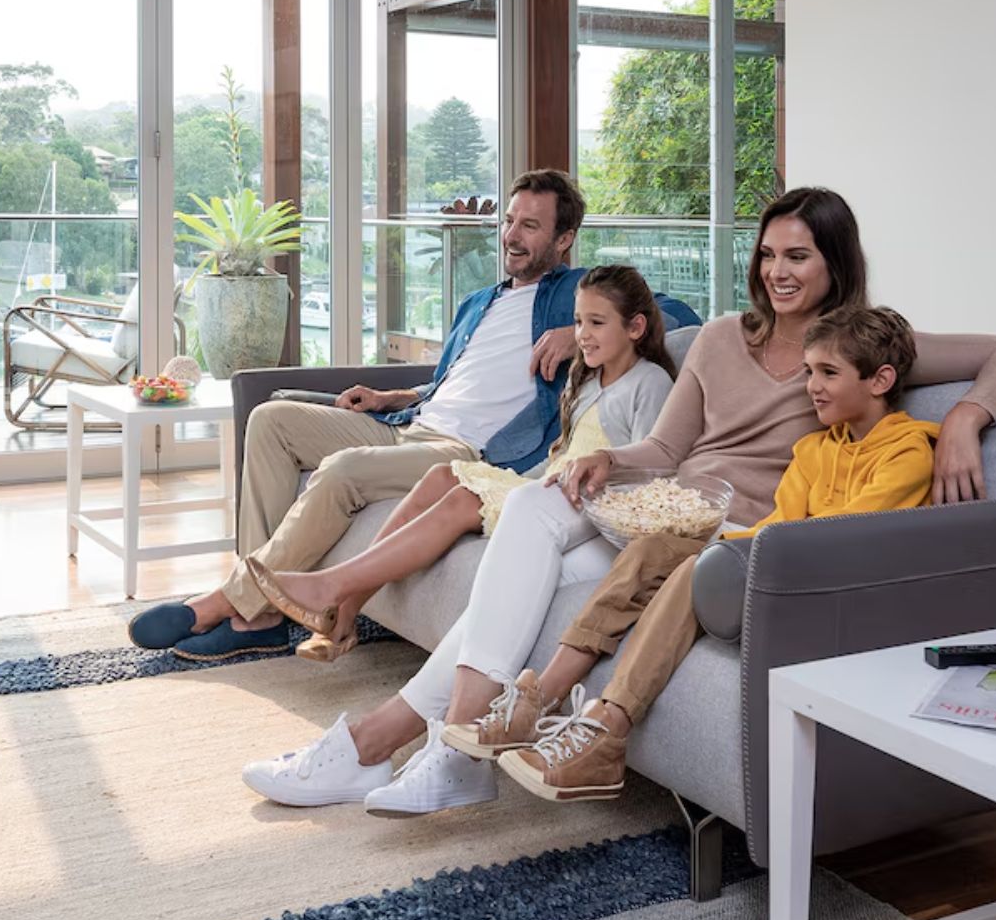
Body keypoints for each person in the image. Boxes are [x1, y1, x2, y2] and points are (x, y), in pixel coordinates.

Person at [236, 186, 996, 817]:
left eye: (799, 256)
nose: (779, 271)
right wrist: (608, 464)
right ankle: (448, 754)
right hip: (659, 507)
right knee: (533, 507)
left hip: (731, 533)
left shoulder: (859, 349)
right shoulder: (727, 335)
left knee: (556, 588)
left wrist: (966, 421)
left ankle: (408, 747)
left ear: (835, 262)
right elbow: (663, 451)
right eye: (769, 253)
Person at [128, 170, 699, 662]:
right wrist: (392, 397)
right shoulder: (481, 301)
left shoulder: (573, 292)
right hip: (411, 421)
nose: (512, 236)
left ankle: (243, 609)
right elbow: (451, 380)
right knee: (273, 420)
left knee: (346, 469)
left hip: (467, 450)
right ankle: (262, 599)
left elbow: (671, 310)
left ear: (565, 238)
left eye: (531, 225)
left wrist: (573, 334)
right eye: (510, 220)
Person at [484, 305, 938, 801]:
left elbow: (841, 539)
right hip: (783, 564)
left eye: (829, 373)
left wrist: (715, 558)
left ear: (880, 380)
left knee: (693, 572)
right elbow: (779, 525)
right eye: (809, 371)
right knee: (653, 551)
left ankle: (608, 731)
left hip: (830, 593)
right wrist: (710, 545)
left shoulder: (908, 453)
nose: (812, 386)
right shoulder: (814, 450)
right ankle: (540, 700)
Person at [245, 265, 679, 663]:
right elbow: (558, 457)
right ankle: (346, 615)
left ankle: (331, 586)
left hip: (578, 503)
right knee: (441, 476)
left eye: (596, 323)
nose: (582, 335)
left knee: (462, 502)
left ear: (636, 326)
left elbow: (648, 472)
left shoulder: (650, 383)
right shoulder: (585, 379)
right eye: (579, 321)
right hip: (543, 485)